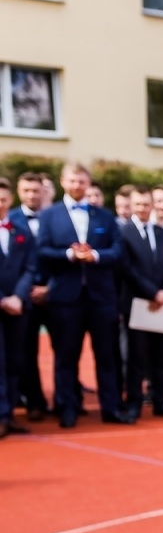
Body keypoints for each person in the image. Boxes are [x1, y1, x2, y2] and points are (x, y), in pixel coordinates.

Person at [35, 163, 131, 427]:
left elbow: (117, 252)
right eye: (73, 181)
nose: (77, 185)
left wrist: (95, 256)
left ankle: (111, 408)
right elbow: (42, 251)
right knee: (66, 356)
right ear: (63, 182)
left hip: (101, 298)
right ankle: (68, 407)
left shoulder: (105, 216)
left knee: (106, 357)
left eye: (82, 181)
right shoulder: (50, 215)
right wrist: (70, 254)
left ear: (88, 184)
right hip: (66, 298)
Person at [119, 186, 163, 420]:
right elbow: (127, 268)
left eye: (147, 204)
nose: (143, 209)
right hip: (138, 303)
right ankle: (134, 402)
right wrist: (153, 292)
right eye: (138, 204)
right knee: (136, 357)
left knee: (161, 355)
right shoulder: (123, 233)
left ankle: (160, 401)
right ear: (132, 206)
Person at [11, 172, 49, 421]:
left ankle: (69, 401)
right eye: (27, 190)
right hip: (23, 297)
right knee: (25, 351)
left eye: (36, 190)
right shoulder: (9, 219)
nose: (32, 195)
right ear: (19, 192)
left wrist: (49, 288)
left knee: (65, 351)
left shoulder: (56, 217)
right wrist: (24, 291)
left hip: (55, 294)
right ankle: (33, 401)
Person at [0, 178, 32, 436]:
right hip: (2, 303)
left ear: (10, 200)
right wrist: (3, 299)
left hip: (18, 307)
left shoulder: (20, 230)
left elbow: (31, 266)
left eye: (3, 199)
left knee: (14, 360)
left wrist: (18, 297)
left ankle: (9, 413)